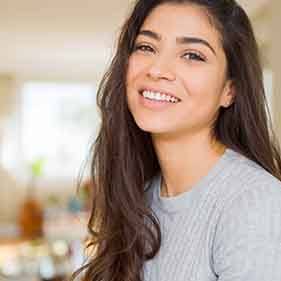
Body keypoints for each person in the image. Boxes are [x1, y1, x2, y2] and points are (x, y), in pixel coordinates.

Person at [72, 1, 281, 281]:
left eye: (192, 55)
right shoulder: (140, 198)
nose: (157, 70)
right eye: (146, 47)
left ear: (230, 90)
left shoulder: (254, 202)